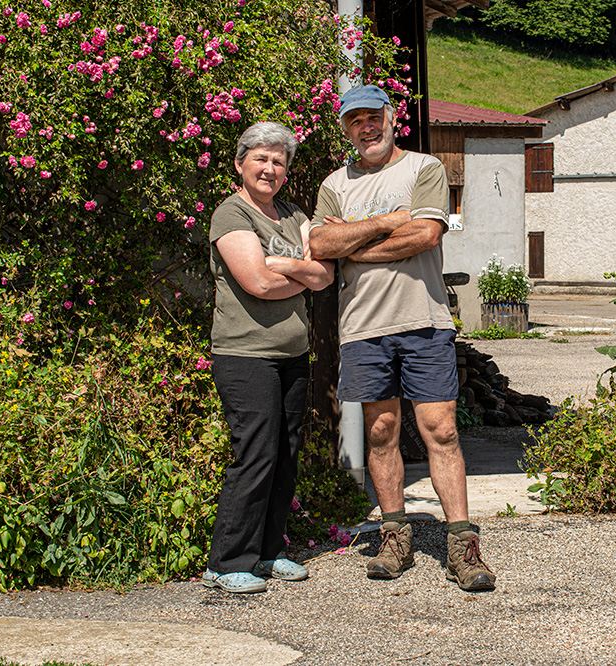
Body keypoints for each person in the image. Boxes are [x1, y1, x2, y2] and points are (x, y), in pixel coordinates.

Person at [308, 85, 495, 591]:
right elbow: (321, 244)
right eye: (354, 122)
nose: (366, 128)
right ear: (345, 129)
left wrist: (355, 241)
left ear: (392, 119)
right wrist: (391, 221)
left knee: (442, 432)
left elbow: (427, 236)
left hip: (424, 322)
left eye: (373, 118)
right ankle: (396, 537)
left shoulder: (424, 169)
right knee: (381, 433)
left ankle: (462, 544)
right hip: (364, 329)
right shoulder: (333, 184)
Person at [203, 121, 334, 594]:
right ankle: (227, 561)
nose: (270, 167)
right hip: (245, 355)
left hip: (292, 354)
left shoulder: (293, 213)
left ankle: (268, 551)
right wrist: (301, 273)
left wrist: (282, 265)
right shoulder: (231, 213)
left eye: (278, 161)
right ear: (241, 164)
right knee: (256, 453)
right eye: (260, 158)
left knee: (285, 455)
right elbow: (256, 282)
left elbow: (325, 274)